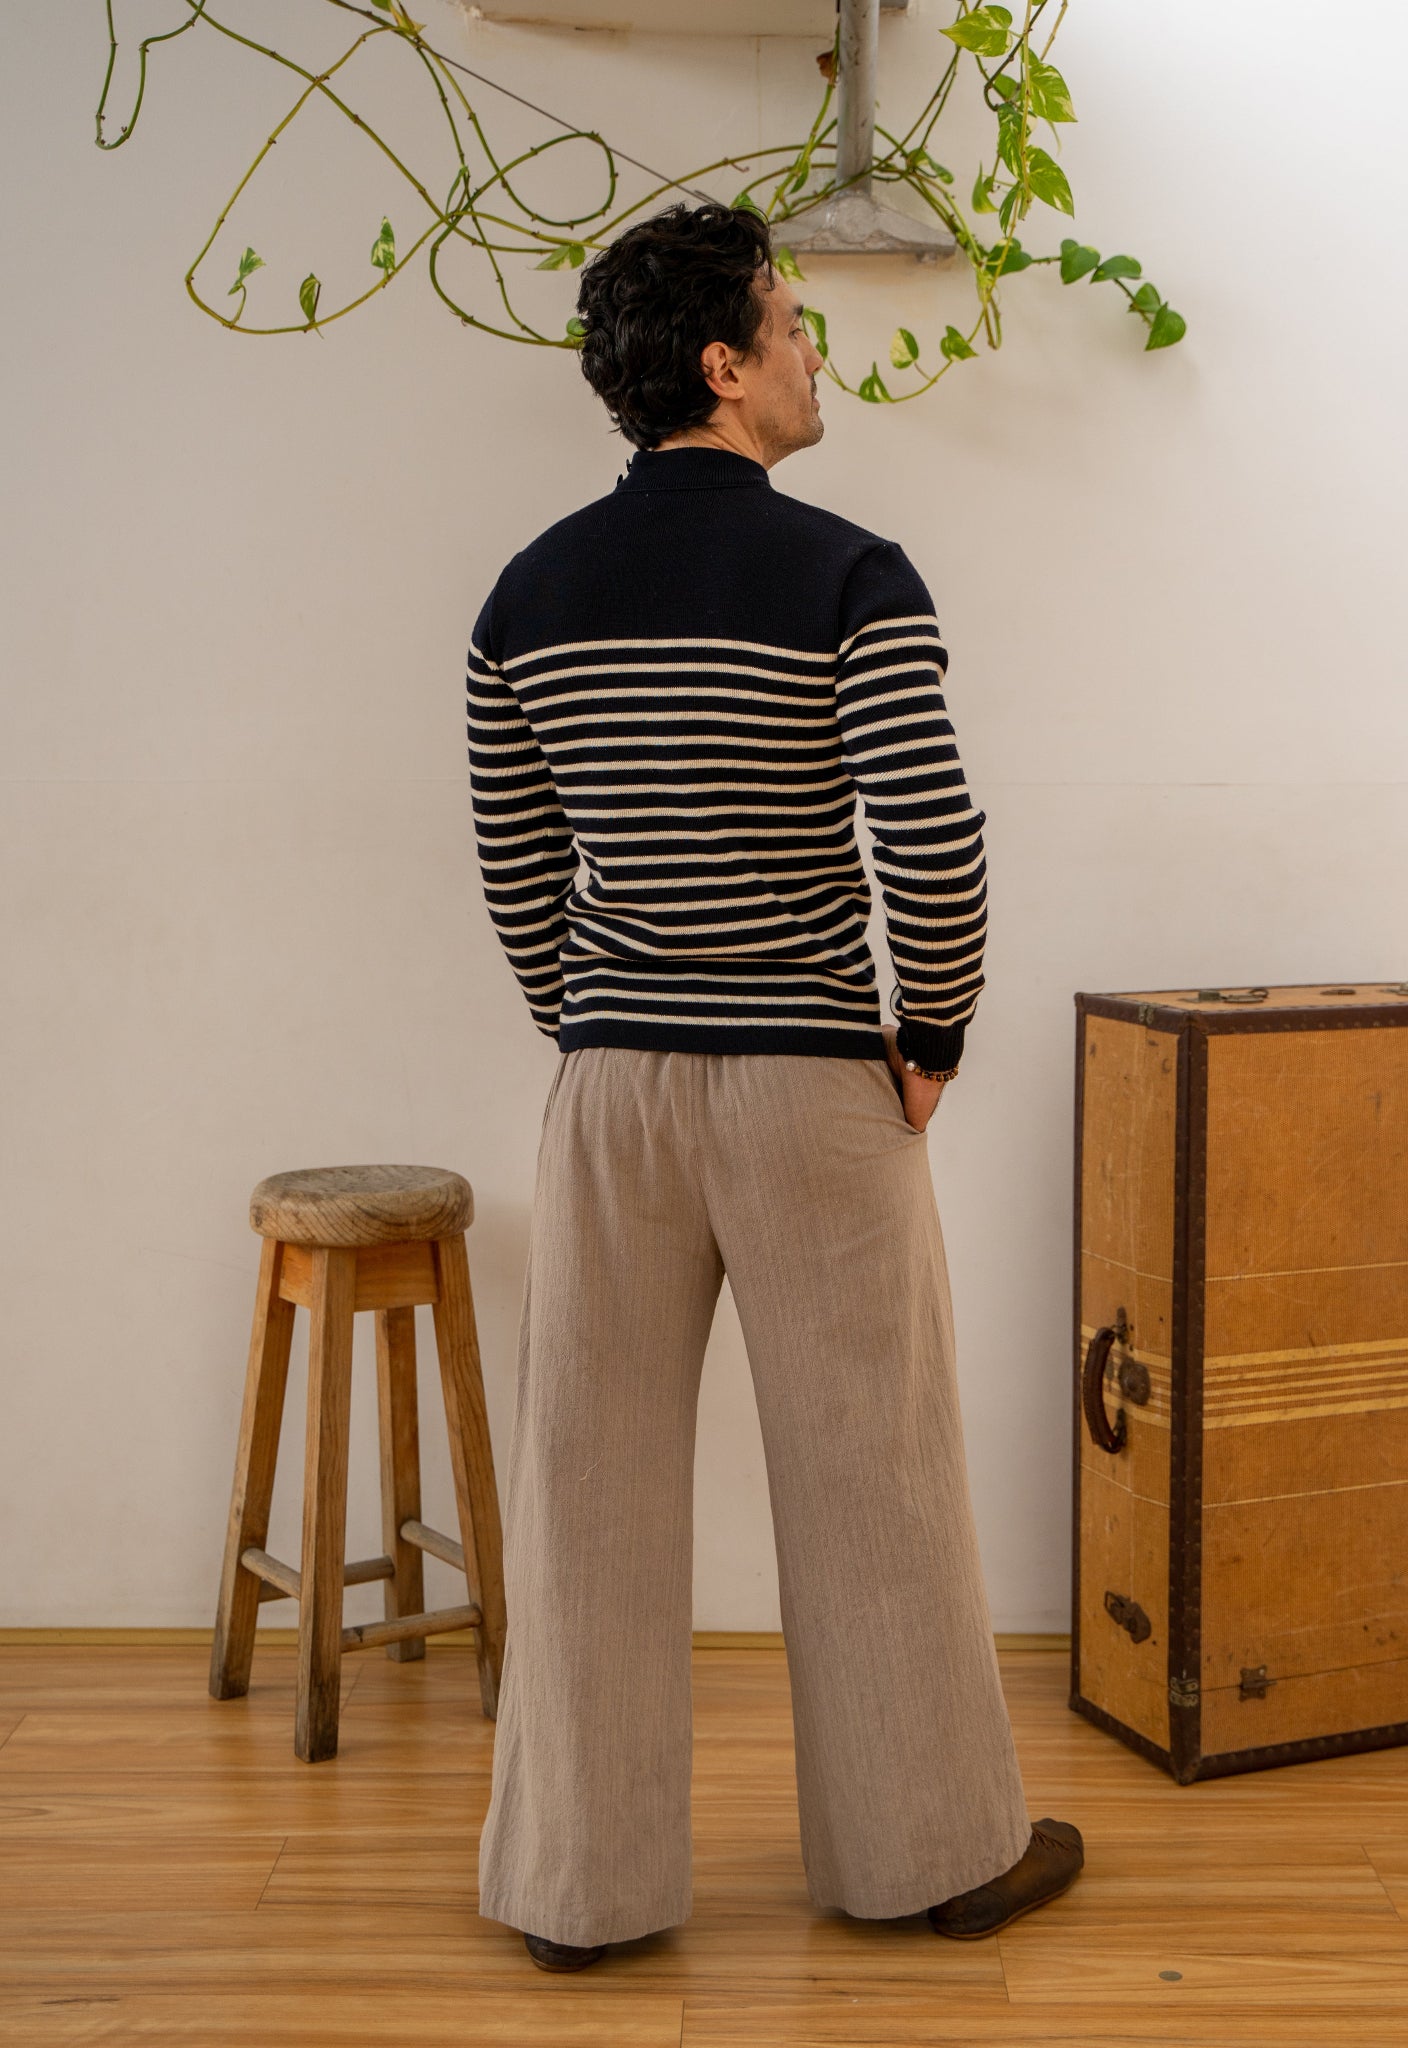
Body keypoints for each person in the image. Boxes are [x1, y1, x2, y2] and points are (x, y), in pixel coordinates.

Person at [465, 200, 1083, 1974]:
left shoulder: (525, 596)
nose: (820, 357)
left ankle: (578, 1892)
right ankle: (928, 1859)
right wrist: (932, 1037)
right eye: (794, 327)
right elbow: (931, 841)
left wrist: (594, 1031)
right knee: (872, 1475)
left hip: (612, 1094)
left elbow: (518, 870)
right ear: (724, 367)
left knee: (585, 1485)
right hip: (815, 1087)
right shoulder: (848, 575)